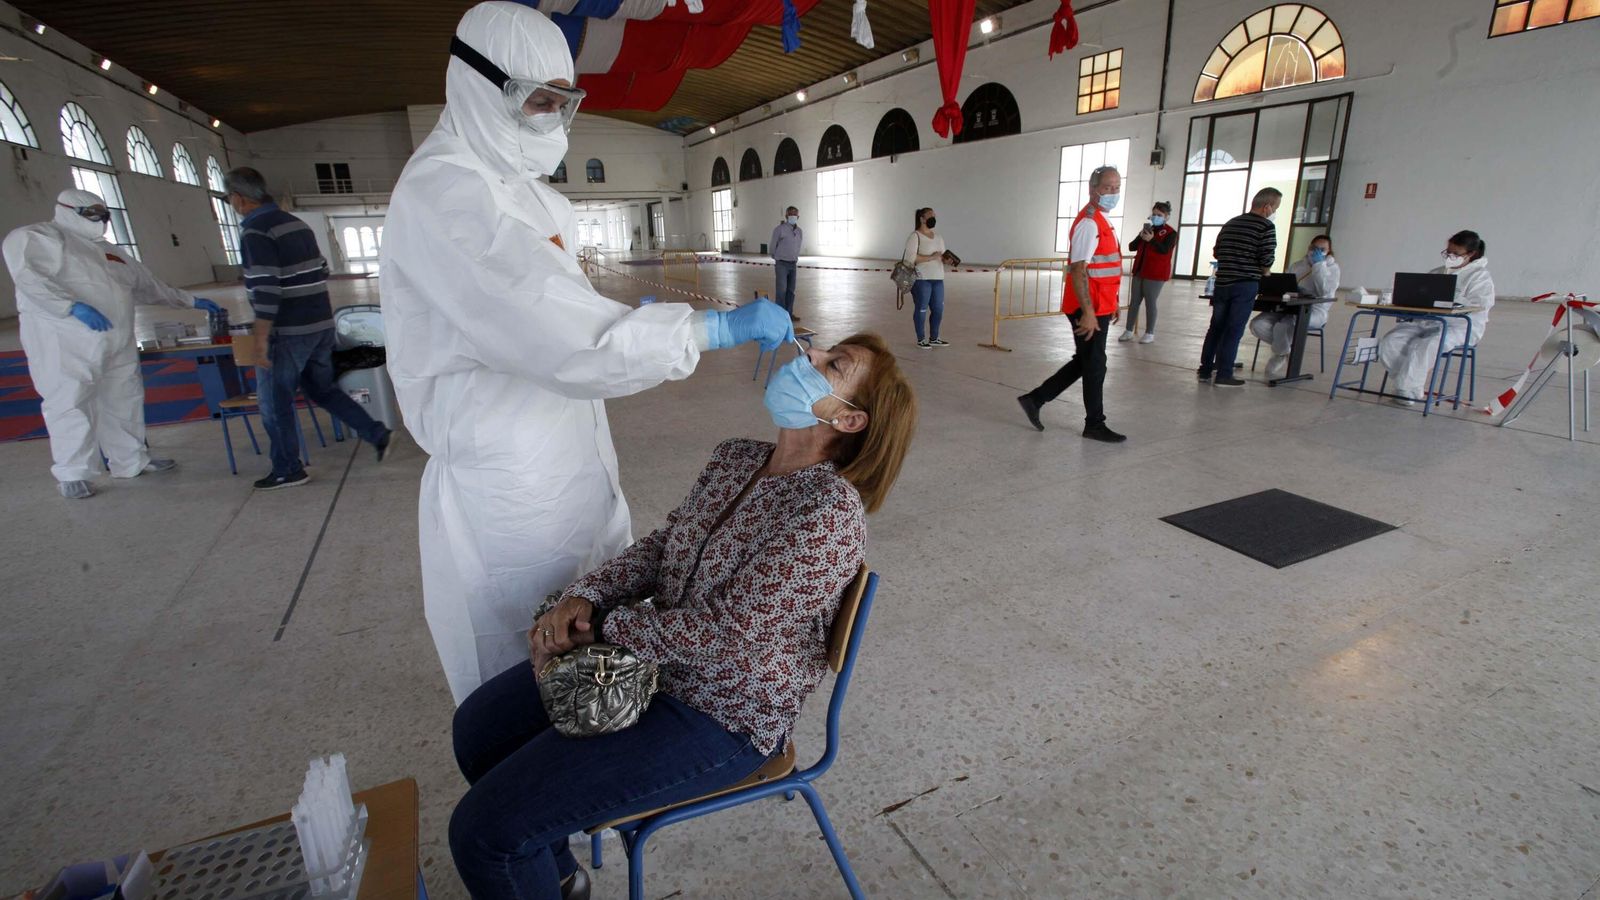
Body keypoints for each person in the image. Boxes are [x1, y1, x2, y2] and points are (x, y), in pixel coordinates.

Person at [381, 1, 794, 705]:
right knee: (526, 669)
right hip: (510, 490)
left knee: (589, 649)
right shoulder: (446, 192)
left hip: (571, 460)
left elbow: (564, 315)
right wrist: (706, 330)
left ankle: (592, 765)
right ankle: (553, 803)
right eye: (536, 102)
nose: (553, 121)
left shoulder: (532, 199)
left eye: (561, 103)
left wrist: (617, 322)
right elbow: (566, 338)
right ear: (479, 86)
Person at [449, 333, 917, 900]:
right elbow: (665, 545)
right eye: (816, 349)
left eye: (830, 365)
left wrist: (603, 628)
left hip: (725, 712)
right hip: (653, 665)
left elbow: (729, 633)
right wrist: (587, 597)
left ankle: (528, 863)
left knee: (484, 832)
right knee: (476, 731)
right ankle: (557, 877)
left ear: (848, 422)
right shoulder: (737, 458)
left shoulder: (828, 512)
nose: (806, 358)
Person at [2, 188, 222, 500]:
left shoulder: (112, 251)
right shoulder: (38, 237)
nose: (100, 221)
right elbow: (30, 278)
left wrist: (191, 300)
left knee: (124, 398)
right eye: (91, 214)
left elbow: (148, 287)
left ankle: (130, 460)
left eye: (103, 215)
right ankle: (73, 472)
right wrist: (69, 306)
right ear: (67, 210)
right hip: (65, 340)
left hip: (116, 339)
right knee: (70, 402)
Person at [224, 167, 393, 491]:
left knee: (275, 401)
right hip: (319, 325)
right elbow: (322, 269)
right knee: (322, 390)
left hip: (287, 333)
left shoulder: (256, 231)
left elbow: (267, 288)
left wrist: (260, 339)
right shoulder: (295, 224)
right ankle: (376, 433)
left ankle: (288, 469)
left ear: (239, 198)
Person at [1016, 167, 1126, 442]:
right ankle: (1094, 424)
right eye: (1107, 187)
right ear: (1093, 190)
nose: (1113, 192)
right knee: (1095, 364)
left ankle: (1035, 399)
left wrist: (1111, 302)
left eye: (1117, 187)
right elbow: (1078, 269)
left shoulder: (1102, 219)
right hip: (1086, 308)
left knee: (1087, 361)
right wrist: (1088, 312)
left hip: (1099, 304)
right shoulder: (1089, 223)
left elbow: (1104, 267)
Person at [1378, 230, 1495, 406]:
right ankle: (1409, 388)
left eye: (1456, 253)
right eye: (1448, 252)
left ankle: (1405, 390)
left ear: (1471, 254)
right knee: (1390, 341)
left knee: (1425, 345)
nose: (1450, 256)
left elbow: (1481, 304)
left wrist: (1453, 301)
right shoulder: (1437, 272)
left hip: (1460, 327)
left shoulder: (1480, 277)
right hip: (1428, 321)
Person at [1198, 188, 1281, 386]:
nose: (1274, 211)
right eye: (1276, 207)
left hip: (1223, 283)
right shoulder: (1266, 227)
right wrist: (1265, 270)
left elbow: (1217, 252)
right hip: (1244, 285)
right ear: (1267, 206)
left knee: (1216, 327)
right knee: (1233, 329)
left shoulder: (1231, 223)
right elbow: (1267, 257)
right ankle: (1224, 374)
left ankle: (1206, 370)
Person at [1249, 234, 1340, 380]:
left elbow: (1325, 291)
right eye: (1315, 248)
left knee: (1284, 325)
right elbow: (1285, 283)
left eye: (1322, 249)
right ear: (1309, 247)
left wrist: (1318, 265)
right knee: (1257, 324)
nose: (1317, 252)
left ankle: (1279, 355)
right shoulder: (1298, 265)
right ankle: (1284, 350)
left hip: (1314, 311)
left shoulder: (1333, 269)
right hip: (1289, 305)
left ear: (1329, 252)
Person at [1121, 201, 1176, 344]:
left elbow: (1164, 250)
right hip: (1140, 271)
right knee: (1134, 302)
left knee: (1150, 302)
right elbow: (1132, 247)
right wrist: (1141, 236)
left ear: (1166, 217)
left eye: (1159, 215)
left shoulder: (1170, 233)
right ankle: (1128, 330)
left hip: (1155, 274)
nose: (1155, 217)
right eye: (1154, 214)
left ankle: (1149, 333)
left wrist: (1152, 240)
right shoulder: (1147, 229)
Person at [903, 207, 947, 349]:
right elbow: (910, 259)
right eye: (930, 216)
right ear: (922, 219)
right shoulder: (915, 236)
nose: (933, 218)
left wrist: (947, 260)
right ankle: (921, 339)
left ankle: (934, 338)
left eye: (934, 215)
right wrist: (931, 257)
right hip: (921, 279)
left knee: (938, 309)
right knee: (921, 308)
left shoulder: (939, 237)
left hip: (938, 278)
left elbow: (942, 255)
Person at [770, 206, 802, 320]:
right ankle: (779, 315)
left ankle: (788, 314)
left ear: (798, 216)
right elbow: (773, 245)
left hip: (793, 264)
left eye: (795, 214)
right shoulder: (780, 229)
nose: (793, 216)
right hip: (782, 264)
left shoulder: (799, 231)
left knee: (791, 291)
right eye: (790, 214)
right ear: (786, 216)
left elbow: (798, 246)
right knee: (781, 290)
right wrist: (777, 257)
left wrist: (794, 257)